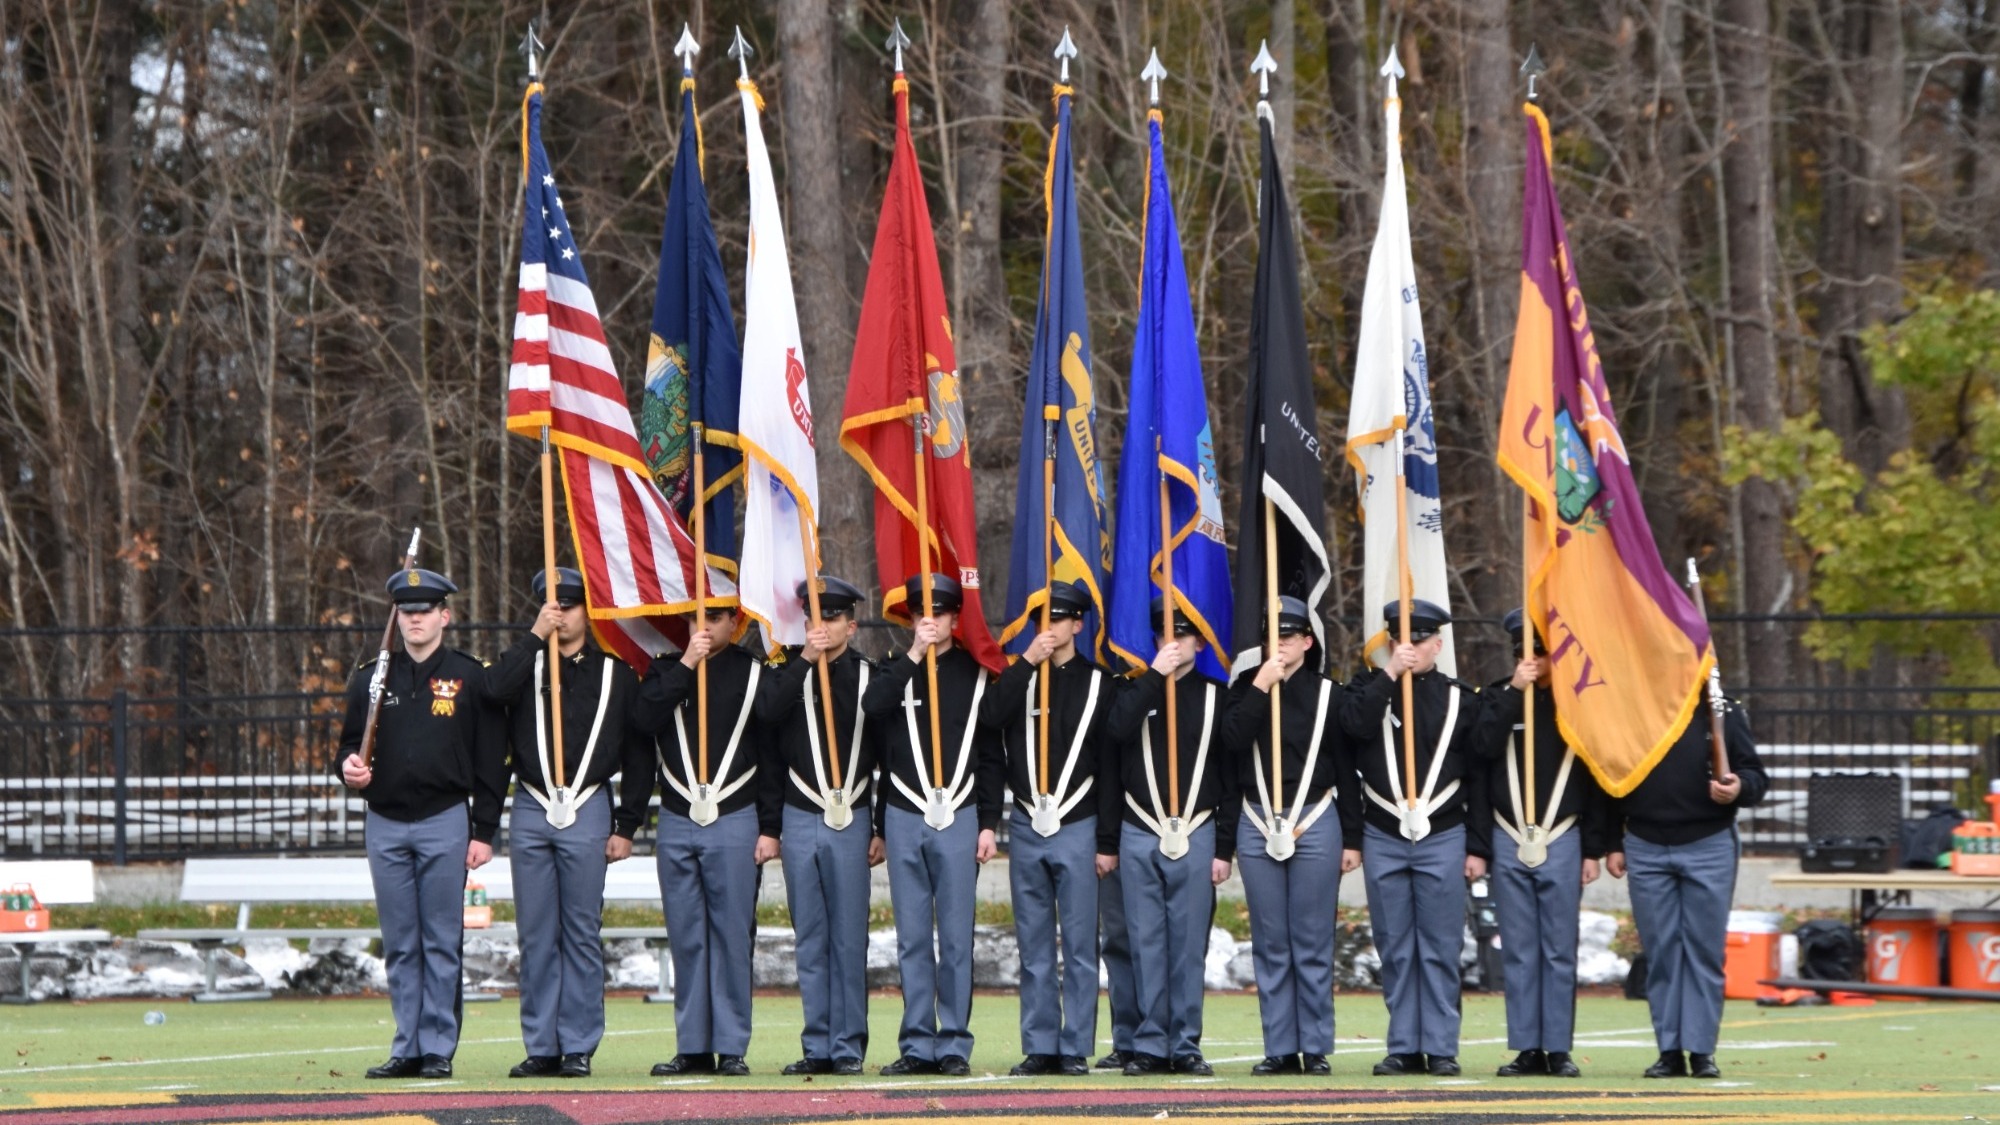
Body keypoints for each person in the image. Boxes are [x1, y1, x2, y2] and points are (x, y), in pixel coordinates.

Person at [337, 567, 506, 1080]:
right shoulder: (371, 677)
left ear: (444, 616)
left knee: (440, 937)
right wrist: (348, 768)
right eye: (406, 612)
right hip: (384, 820)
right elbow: (347, 744)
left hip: (444, 818)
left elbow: (491, 755)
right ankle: (405, 1044)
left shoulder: (469, 674)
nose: (415, 619)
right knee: (401, 940)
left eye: (424, 611)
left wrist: (484, 829)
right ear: (397, 617)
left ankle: (436, 1046)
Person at [483, 567, 651, 1079]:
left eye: (571, 605)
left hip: (588, 806)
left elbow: (639, 753)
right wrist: (536, 635)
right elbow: (491, 692)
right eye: (553, 605)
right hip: (533, 806)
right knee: (535, 935)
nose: (563, 615)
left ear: (587, 611)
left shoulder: (616, 675)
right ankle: (542, 1045)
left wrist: (627, 824)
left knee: (580, 931)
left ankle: (577, 1044)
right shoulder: (526, 665)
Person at [860, 573, 1005, 1077]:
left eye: (940, 614)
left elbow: (990, 756)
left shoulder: (976, 672)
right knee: (913, 936)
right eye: (923, 614)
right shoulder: (895, 669)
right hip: (903, 813)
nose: (932, 622)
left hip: (961, 813)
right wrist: (915, 655)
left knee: (956, 936)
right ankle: (917, 1043)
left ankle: (954, 1044)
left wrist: (989, 823)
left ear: (954, 618)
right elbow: (873, 714)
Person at [1338, 599, 1489, 1077]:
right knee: (1396, 945)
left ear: (1437, 645)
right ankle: (1404, 1044)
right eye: (1401, 640)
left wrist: (1478, 846)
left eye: (1420, 640)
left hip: (1443, 832)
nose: (1410, 648)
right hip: (1383, 831)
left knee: (1441, 945)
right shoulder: (1368, 688)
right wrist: (1388, 676)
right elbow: (1354, 726)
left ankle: (1441, 1045)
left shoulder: (1460, 697)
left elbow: (1480, 776)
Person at [978, 580, 1121, 1077]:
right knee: (1033, 943)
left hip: (1078, 822)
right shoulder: (1019, 678)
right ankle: (1040, 1044)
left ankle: (1075, 1044)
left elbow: (1109, 766)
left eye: (1058, 620)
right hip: (1027, 824)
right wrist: (1026, 664)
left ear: (1077, 625)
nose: (1049, 628)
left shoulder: (1101, 682)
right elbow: (990, 719)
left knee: (1080, 944)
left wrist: (1106, 841)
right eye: (1042, 620)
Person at [631, 599, 775, 1078]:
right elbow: (643, 720)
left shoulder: (753, 672)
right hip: (676, 815)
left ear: (736, 622)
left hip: (735, 815)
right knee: (687, 936)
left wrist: (770, 827)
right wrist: (689, 662)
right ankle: (692, 1045)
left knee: (732, 935)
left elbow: (772, 753)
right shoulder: (667, 670)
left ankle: (732, 1045)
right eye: (695, 618)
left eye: (714, 617)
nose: (705, 627)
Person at [1470, 608, 1614, 1079]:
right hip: (1510, 835)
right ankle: (1527, 1046)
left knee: (1558, 948)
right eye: (1520, 653)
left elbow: (1596, 779)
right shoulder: (1498, 697)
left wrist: (1593, 848)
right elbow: (1483, 747)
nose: (1529, 660)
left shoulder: (1578, 703)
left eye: (1538, 652)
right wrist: (1515, 689)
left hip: (1563, 834)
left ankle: (1558, 1047)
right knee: (1519, 948)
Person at [1221, 596, 1360, 1076]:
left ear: (1307, 640)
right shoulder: (1245, 686)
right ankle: (1280, 1046)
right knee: (1270, 940)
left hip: (1315, 815)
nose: (1279, 644)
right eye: (1271, 636)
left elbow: (1346, 769)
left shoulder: (1329, 694)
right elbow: (1232, 742)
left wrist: (1354, 838)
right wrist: (1262, 683)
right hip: (1258, 817)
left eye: (1288, 635)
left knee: (1311, 937)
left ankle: (1315, 1045)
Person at [1605, 677, 1767, 1079]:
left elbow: (1755, 776)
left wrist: (1738, 788)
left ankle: (1701, 1050)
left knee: (1703, 951)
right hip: (1644, 841)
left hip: (1707, 842)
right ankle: (1670, 1050)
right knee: (1661, 952)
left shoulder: (1722, 711)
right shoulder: (1631, 716)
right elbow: (1608, 780)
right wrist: (1611, 841)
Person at [753, 575, 882, 1077]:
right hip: (799, 815)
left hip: (851, 815)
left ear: (851, 624)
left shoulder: (868, 676)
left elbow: (888, 758)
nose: (822, 626)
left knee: (849, 936)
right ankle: (818, 1043)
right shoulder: (787, 670)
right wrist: (804, 660)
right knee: (809, 936)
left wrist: (883, 825)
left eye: (833, 617)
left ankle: (848, 1044)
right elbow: (766, 719)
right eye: (814, 617)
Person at [1103, 597, 1237, 1077]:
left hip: (1197, 829)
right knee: (1145, 941)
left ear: (1199, 641)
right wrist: (1155, 676)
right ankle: (1150, 1042)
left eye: (1183, 635)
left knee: (1187, 944)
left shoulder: (1218, 696)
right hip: (1140, 828)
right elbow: (1114, 734)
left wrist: (1224, 847)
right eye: (1165, 635)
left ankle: (1185, 1043)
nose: (1174, 643)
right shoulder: (1133, 692)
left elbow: (1229, 775)